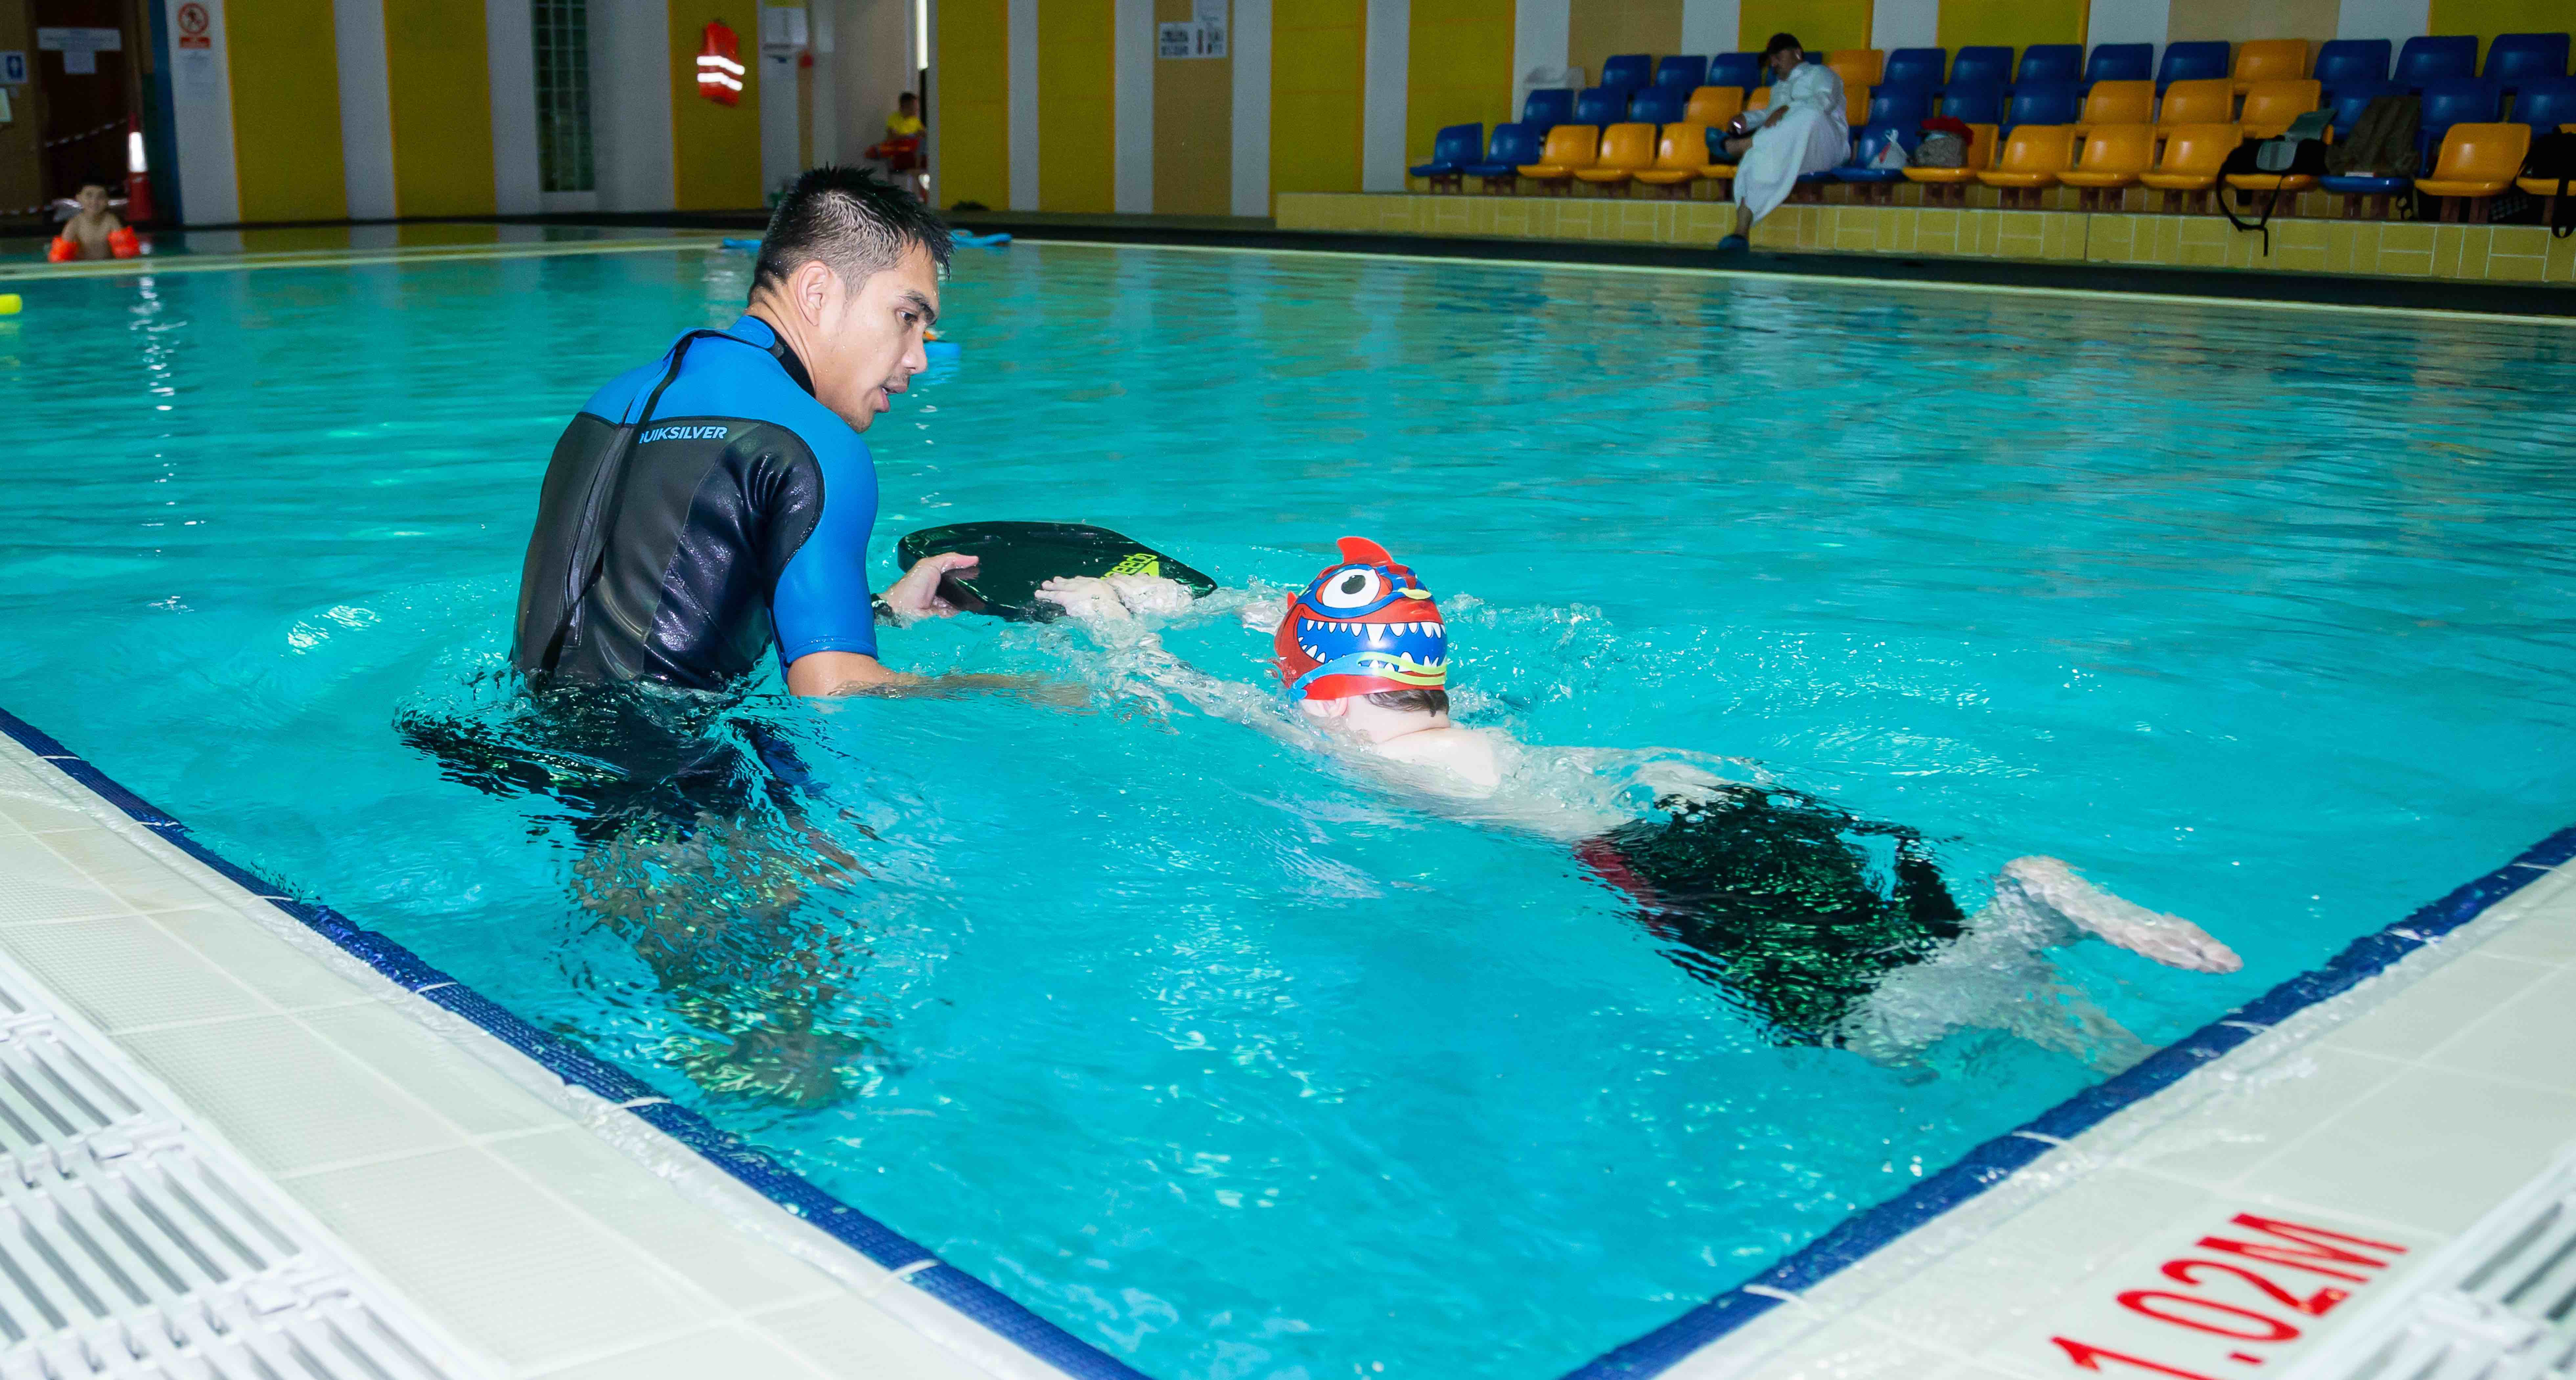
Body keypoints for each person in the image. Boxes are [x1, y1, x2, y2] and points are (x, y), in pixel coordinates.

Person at [1032, 541, 2242, 1068]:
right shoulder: (1457, 722)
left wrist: (1115, 630)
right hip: (1718, 788)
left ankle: (2028, 907)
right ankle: (2117, 1049)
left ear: (1327, 693)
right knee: (1933, 969)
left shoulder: (1366, 757)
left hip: (1663, 847)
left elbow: (1197, 701)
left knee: (1868, 1031)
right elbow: (1303, 634)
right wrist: (1240, 609)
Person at [511, 164, 994, 698]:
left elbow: (653, 631)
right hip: (672, 778)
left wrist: (880, 612)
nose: (919, 359)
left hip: (509, 761)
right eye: (907, 316)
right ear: (815, 292)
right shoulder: (814, 445)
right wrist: (1032, 691)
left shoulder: (609, 404)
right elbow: (834, 693)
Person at [1716, 34, 1849, 253]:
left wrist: (1787, 109)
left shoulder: (1821, 74)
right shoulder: (1779, 88)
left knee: (1808, 114)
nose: (1774, 64)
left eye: (1778, 56)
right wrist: (1746, 120)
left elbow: (1823, 103)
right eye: (1772, 59)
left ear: (1797, 53)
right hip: (1793, 146)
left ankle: (1742, 145)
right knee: (1758, 153)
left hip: (1827, 145)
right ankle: (1741, 232)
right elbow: (1771, 115)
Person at [48, 181, 139, 262]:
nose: (95, 201)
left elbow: (127, 254)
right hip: (83, 270)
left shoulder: (111, 221)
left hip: (107, 268)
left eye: (101, 196)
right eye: (89, 195)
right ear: (79, 199)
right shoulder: (75, 224)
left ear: (107, 201)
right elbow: (60, 258)